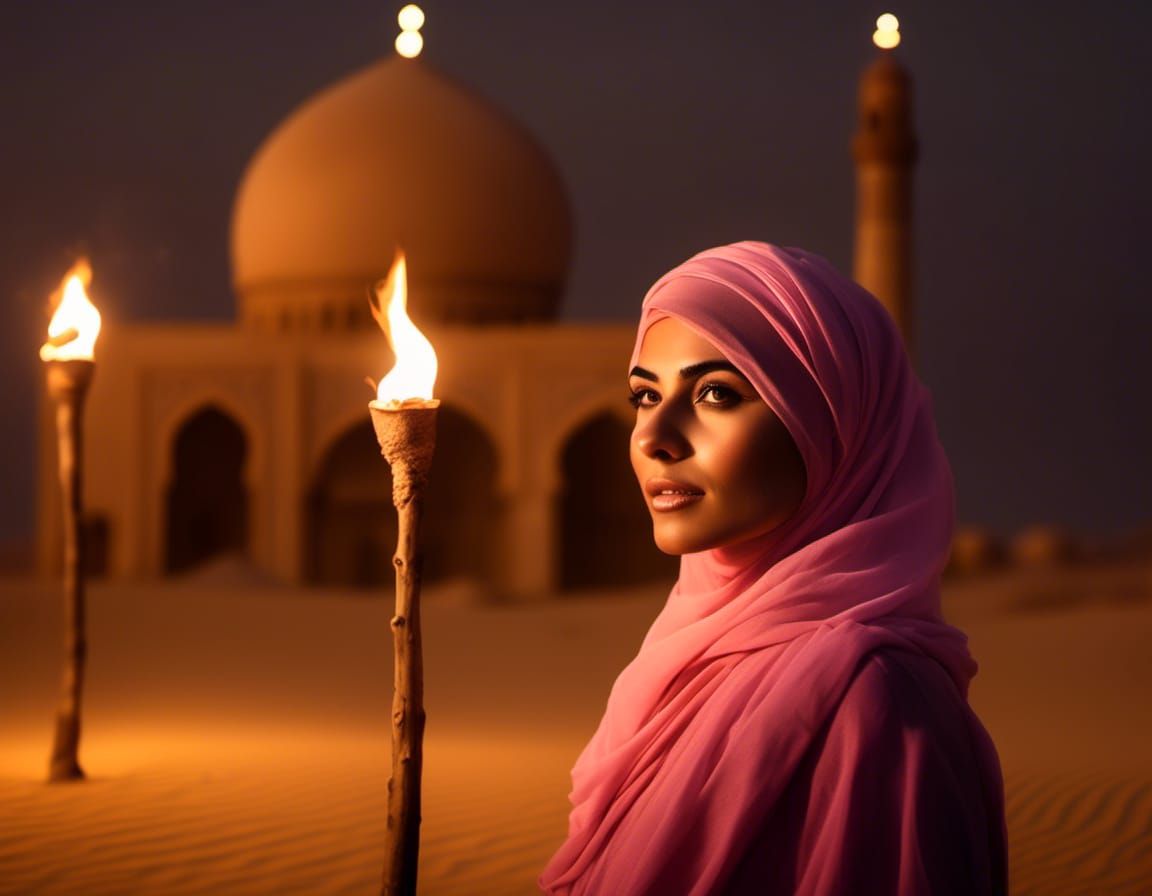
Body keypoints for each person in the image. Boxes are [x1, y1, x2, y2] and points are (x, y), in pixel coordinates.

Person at [539, 242, 1007, 895]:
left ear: (832, 423)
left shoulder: (877, 704)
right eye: (644, 397)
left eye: (716, 393)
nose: (654, 437)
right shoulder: (677, 666)